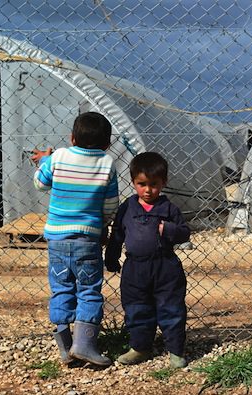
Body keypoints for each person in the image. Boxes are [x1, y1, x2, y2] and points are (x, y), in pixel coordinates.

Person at [32, 111, 118, 367]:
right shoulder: (107, 162)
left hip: (57, 239)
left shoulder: (58, 156)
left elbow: (40, 184)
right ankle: (85, 345)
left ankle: (65, 347)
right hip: (87, 239)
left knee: (61, 287)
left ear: (71, 138)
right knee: (89, 290)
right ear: (107, 143)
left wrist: (44, 162)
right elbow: (110, 205)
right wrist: (103, 226)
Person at [104, 151, 190, 368]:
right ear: (133, 182)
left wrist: (169, 229)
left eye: (154, 184)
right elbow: (117, 234)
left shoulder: (168, 208)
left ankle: (175, 351)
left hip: (165, 267)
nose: (148, 190)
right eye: (142, 184)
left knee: (171, 308)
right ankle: (140, 347)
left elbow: (184, 232)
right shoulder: (128, 207)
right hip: (135, 268)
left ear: (163, 182)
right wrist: (111, 256)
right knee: (136, 308)